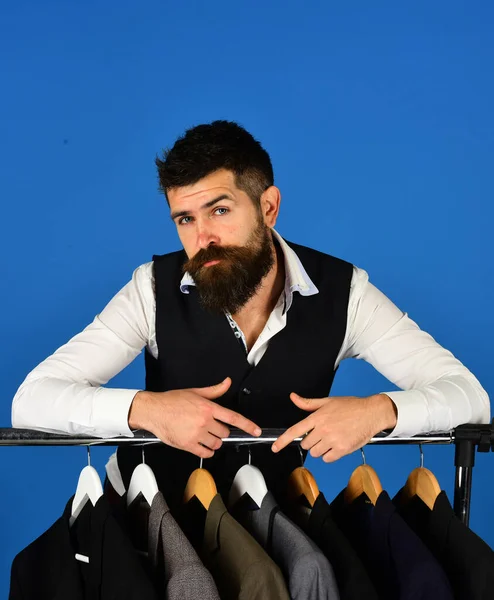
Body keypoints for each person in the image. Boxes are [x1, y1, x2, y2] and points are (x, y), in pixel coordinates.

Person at [12, 120, 490, 507]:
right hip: (141, 521)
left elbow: (470, 397)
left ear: (268, 207)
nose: (202, 238)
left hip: (274, 524)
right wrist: (145, 409)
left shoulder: (347, 293)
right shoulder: (150, 290)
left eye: (219, 210)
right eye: (186, 219)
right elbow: (32, 400)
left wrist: (379, 412)